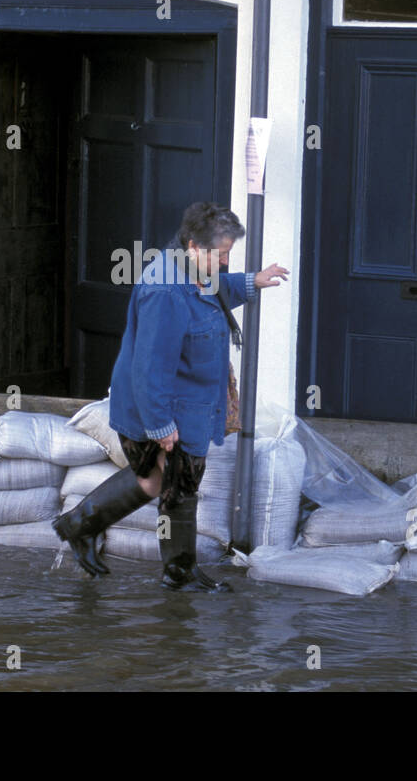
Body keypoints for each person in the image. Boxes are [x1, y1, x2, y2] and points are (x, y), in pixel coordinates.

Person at [52, 202, 290, 591]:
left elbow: (214, 293)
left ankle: (78, 526)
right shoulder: (165, 291)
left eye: (230, 253)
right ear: (194, 245)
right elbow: (151, 368)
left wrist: (253, 281)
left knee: (155, 482)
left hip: (183, 403)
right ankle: (179, 572)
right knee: (177, 485)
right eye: (221, 253)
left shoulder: (195, 269)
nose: (226, 261)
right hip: (164, 406)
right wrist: (161, 425)